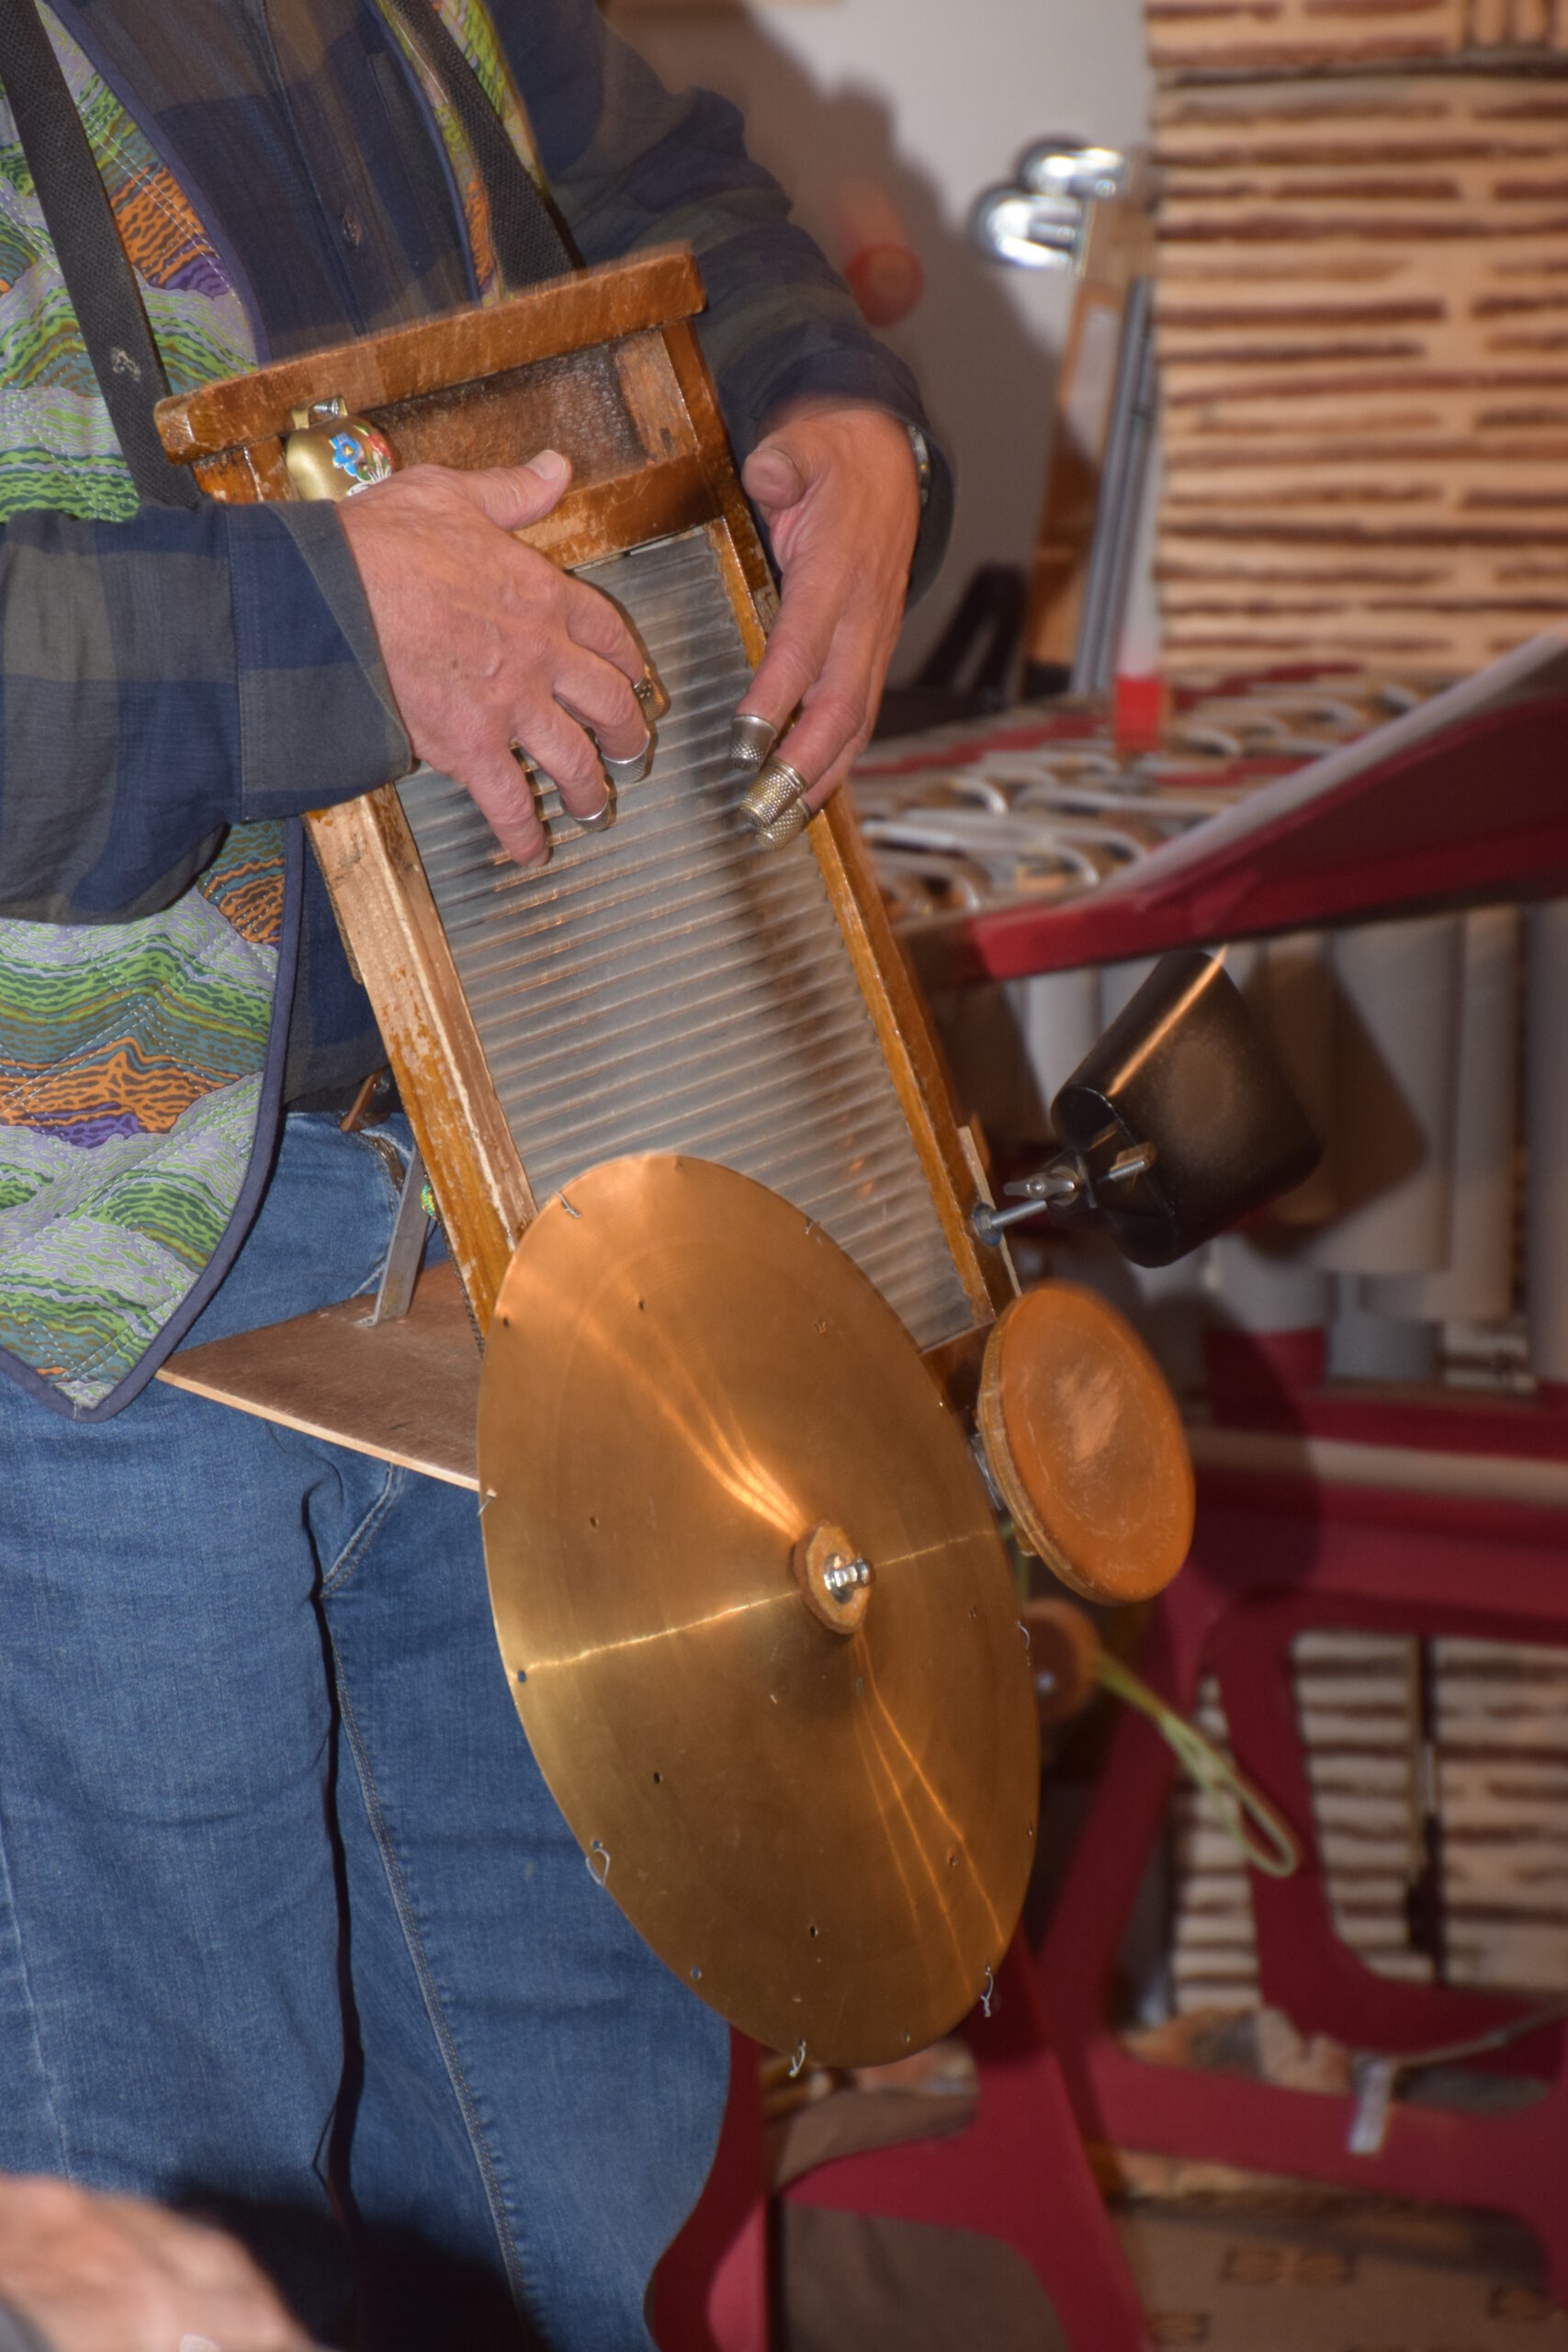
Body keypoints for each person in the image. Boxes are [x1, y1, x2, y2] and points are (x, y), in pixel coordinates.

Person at [0, 2, 949, 2346]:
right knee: (168, 2243)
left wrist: (826, 396)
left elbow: (664, 188)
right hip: (84, 1321)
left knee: (568, 2183)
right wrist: (320, 628)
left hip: (514, 1200)